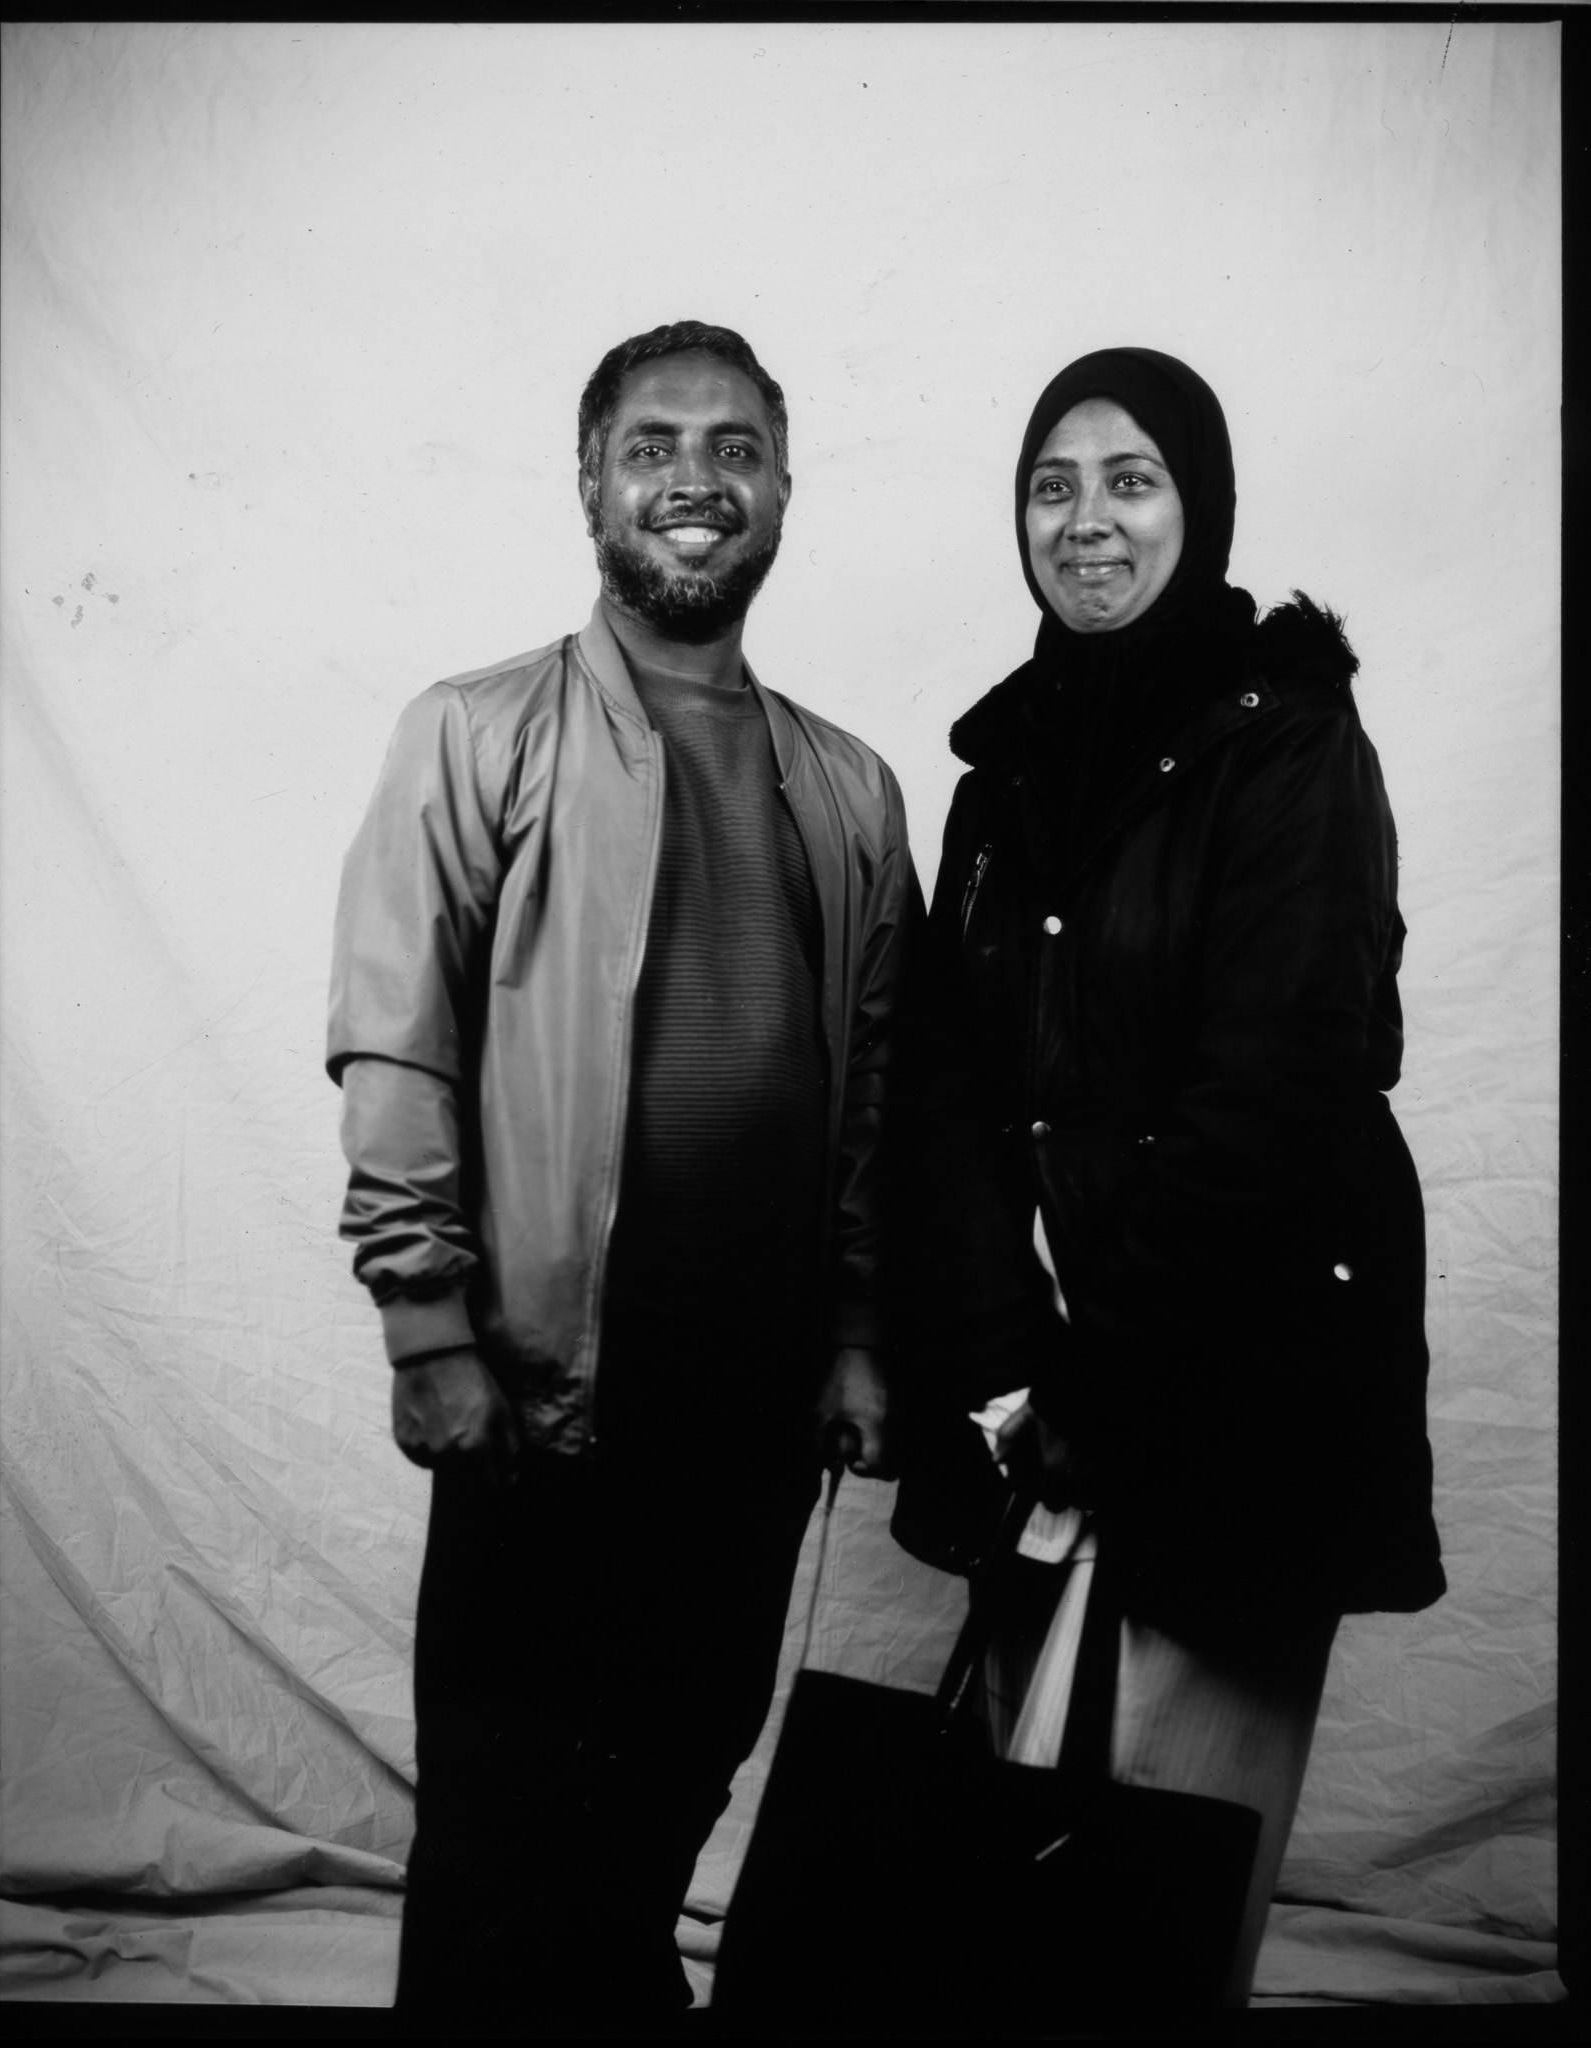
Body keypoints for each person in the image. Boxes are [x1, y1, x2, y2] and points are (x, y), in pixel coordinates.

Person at [326, 320, 917, 2023]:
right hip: (538, 1401)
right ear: (589, 480)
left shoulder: (851, 788)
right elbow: (396, 1039)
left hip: (752, 1415)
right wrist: (427, 1327)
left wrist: (864, 1332)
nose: (693, 480)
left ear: (783, 492)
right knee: (508, 1845)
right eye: (652, 444)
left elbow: (873, 1089)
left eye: (733, 448)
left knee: (666, 1802)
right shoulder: (474, 732)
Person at [891, 346, 1445, 2004]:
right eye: (1051, 487)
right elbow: (947, 1099)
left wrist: (1085, 1374)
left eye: (1129, 481)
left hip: (1235, 1377)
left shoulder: (1287, 750)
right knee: (1006, 1847)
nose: (1087, 523)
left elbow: (1267, 1096)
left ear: (1197, 510)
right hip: (1049, 1391)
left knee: (1158, 1872)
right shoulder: (996, 788)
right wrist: (1003, 1356)